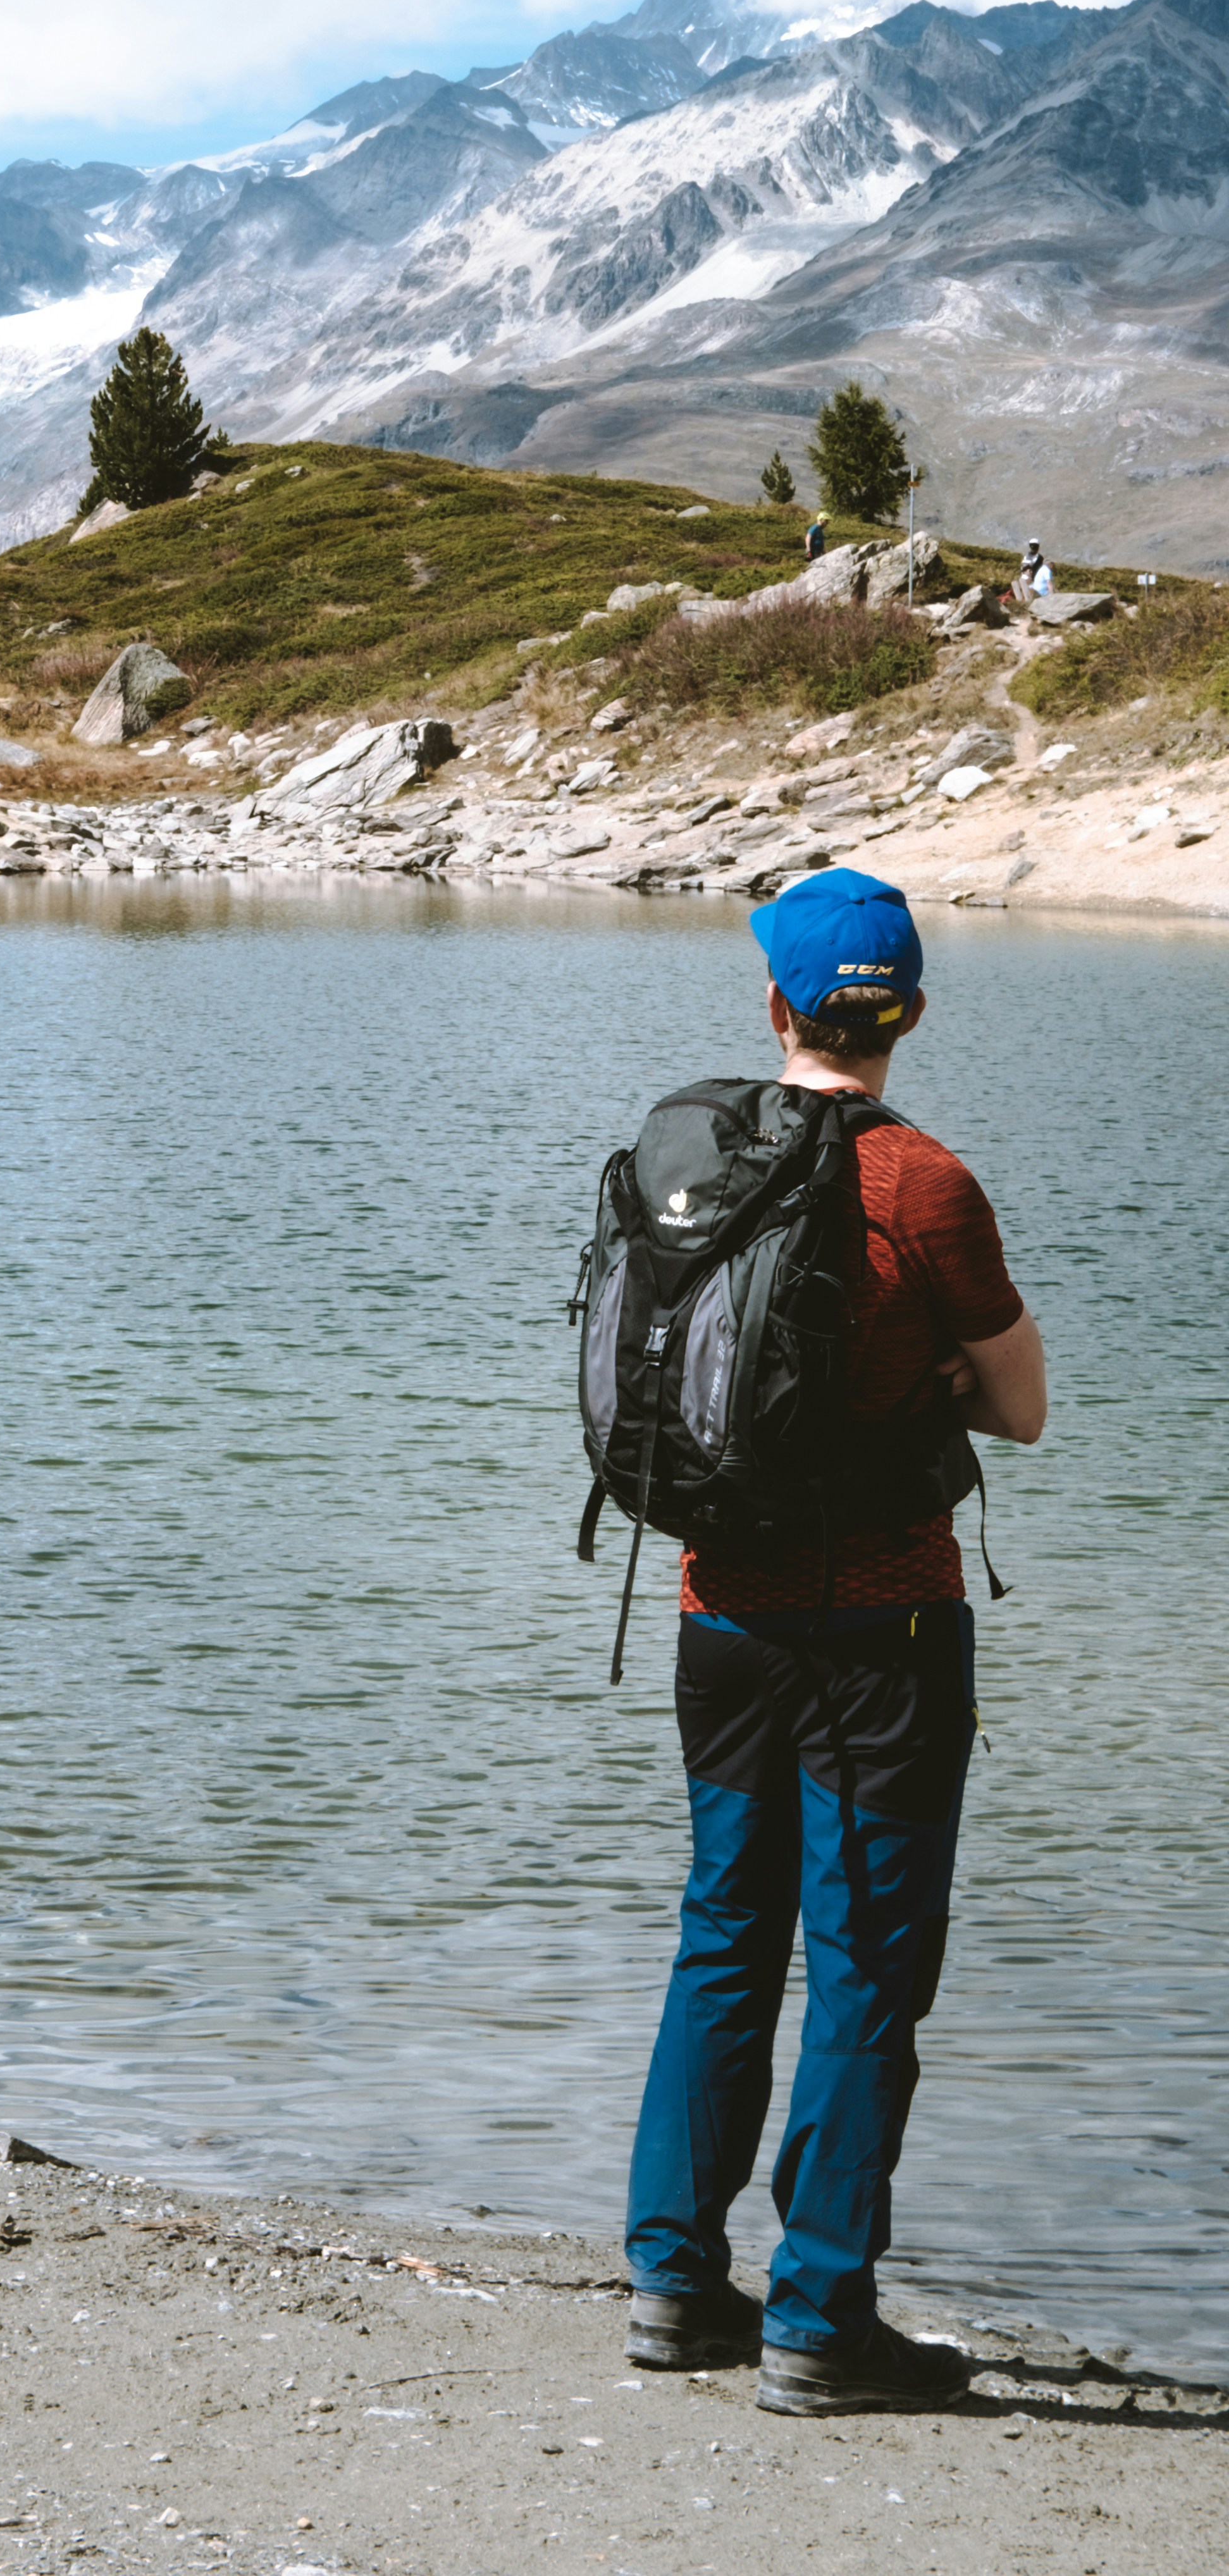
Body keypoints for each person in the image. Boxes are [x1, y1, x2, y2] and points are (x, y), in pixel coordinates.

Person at [621, 869, 1047, 2418]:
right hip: (886, 1628)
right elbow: (1025, 1409)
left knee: (725, 1934)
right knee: (865, 1962)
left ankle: (672, 2285)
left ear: (773, 1008)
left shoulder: (696, 1157)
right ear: (909, 1016)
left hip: (717, 1615)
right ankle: (817, 2323)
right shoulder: (925, 1183)